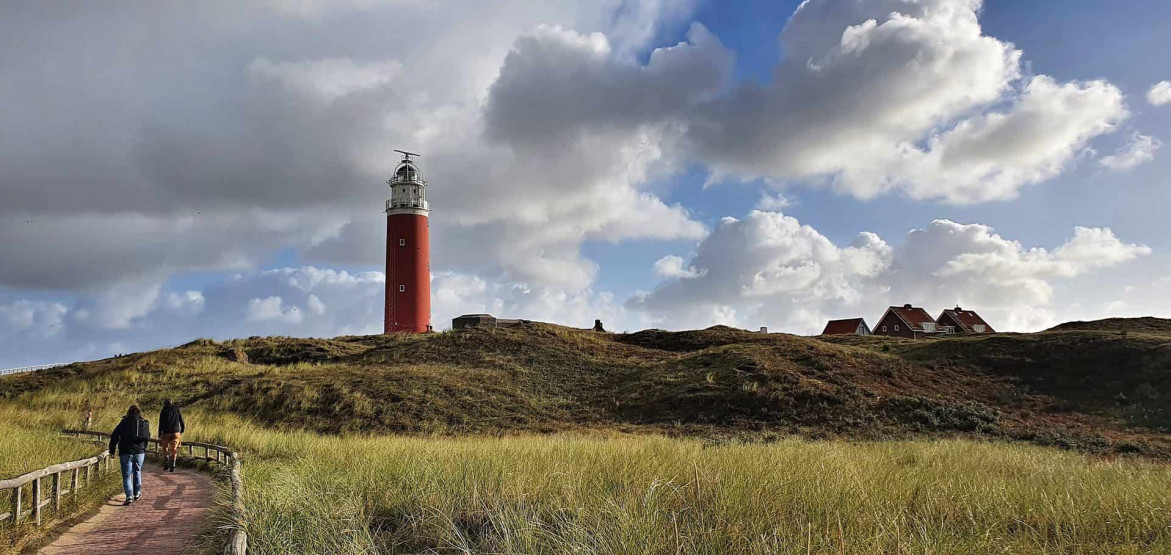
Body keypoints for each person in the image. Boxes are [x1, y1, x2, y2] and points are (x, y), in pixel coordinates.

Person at [109, 405, 151, 506]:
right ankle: (137, 493)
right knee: (137, 471)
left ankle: (129, 496)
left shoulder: (124, 422)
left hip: (125, 451)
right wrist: (143, 448)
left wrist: (112, 450)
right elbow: (147, 436)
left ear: (128, 412)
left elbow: (114, 436)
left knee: (126, 475)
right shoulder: (143, 422)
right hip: (139, 452)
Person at [158, 399, 185, 472]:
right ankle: (173, 464)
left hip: (166, 432)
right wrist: (182, 429)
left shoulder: (163, 410)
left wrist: (159, 433)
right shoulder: (177, 409)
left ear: (165, 404)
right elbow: (181, 420)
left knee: (165, 448)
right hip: (176, 432)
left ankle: (166, 462)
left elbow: (160, 422)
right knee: (174, 449)